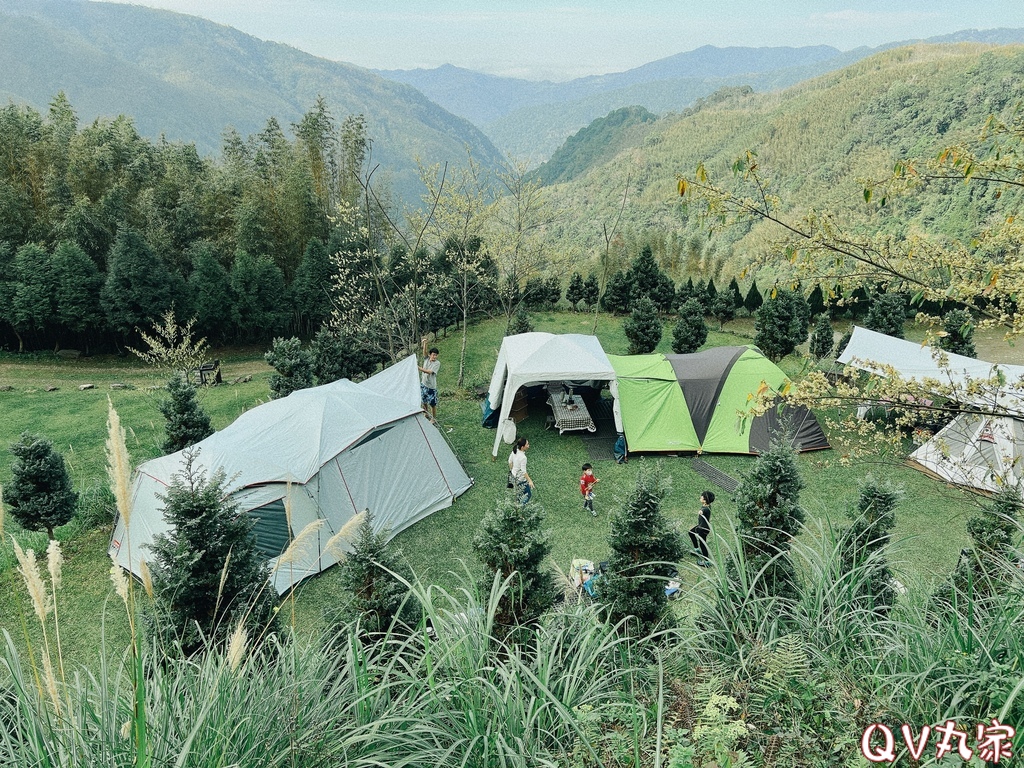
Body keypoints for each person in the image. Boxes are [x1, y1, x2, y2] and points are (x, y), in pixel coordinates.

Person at [689, 490, 715, 567]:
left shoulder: (705, 509)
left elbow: (703, 511)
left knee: (703, 544)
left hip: (703, 529)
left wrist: (701, 511)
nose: (700, 497)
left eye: (702, 496)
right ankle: (696, 550)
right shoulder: (707, 505)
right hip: (701, 526)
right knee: (691, 532)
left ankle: (707, 562)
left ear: (705, 500)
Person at [418, 338, 440, 422]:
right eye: (433, 355)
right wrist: (425, 343)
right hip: (423, 384)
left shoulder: (437, 363)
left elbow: (429, 372)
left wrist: (419, 368)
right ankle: (426, 413)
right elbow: (424, 352)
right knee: (424, 401)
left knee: (432, 403)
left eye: (436, 355)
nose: (435, 356)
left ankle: (433, 418)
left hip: (431, 387)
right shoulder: (426, 359)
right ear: (430, 355)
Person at [508, 437, 534, 503]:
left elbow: (510, 461)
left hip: (513, 476)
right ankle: (520, 508)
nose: (528, 446)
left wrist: (512, 470)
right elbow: (523, 471)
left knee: (518, 492)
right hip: (520, 479)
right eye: (527, 444)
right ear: (522, 447)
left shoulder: (515, 450)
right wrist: (530, 481)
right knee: (528, 495)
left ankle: (517, 504)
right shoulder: (523, 458)